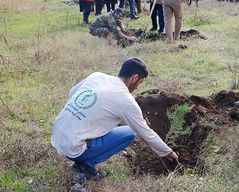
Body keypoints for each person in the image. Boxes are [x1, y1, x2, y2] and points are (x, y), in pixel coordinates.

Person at [51, 57, 179, 189]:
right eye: (139, 83)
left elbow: (72, 93)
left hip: (57, 135)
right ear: (134, 78)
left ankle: (84, 162)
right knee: (130, 132)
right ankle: (84, 166)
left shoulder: (97, 76)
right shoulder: (125, 100)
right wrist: (168, 153)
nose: (137, 87)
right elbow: (146, 133)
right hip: (74, 147)